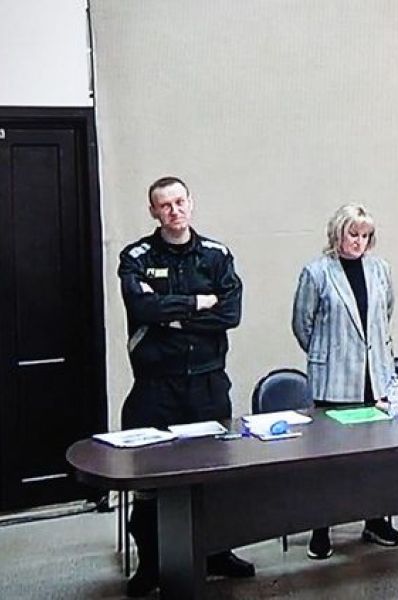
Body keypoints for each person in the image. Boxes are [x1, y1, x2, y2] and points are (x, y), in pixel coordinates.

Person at [117, 176, 255, 596]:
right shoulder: (136, 257)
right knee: (150, 481)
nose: (174, 211)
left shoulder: (215, 255)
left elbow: (230, 314)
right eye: (165, 205)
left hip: (208, 384)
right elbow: (142, 307)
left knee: (213, 475)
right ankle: (151, 564)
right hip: (156, 387)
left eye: (180, 202)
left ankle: (218, 552)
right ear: (153, 212)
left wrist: (172, 318)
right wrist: (197, 302)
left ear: (190, 204)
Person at [292, 204, 398, 560]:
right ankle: (321, 529)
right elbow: (302, 325)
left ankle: (375, 520)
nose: (358, 242)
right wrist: (331, 354)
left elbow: (385, 314)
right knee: (331, 462)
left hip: (374, 379)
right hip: (334, 380)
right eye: (352, 234)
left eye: (365, 235)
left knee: (374, 459)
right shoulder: (316, 272)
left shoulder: (380, 269)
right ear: (337, 234)